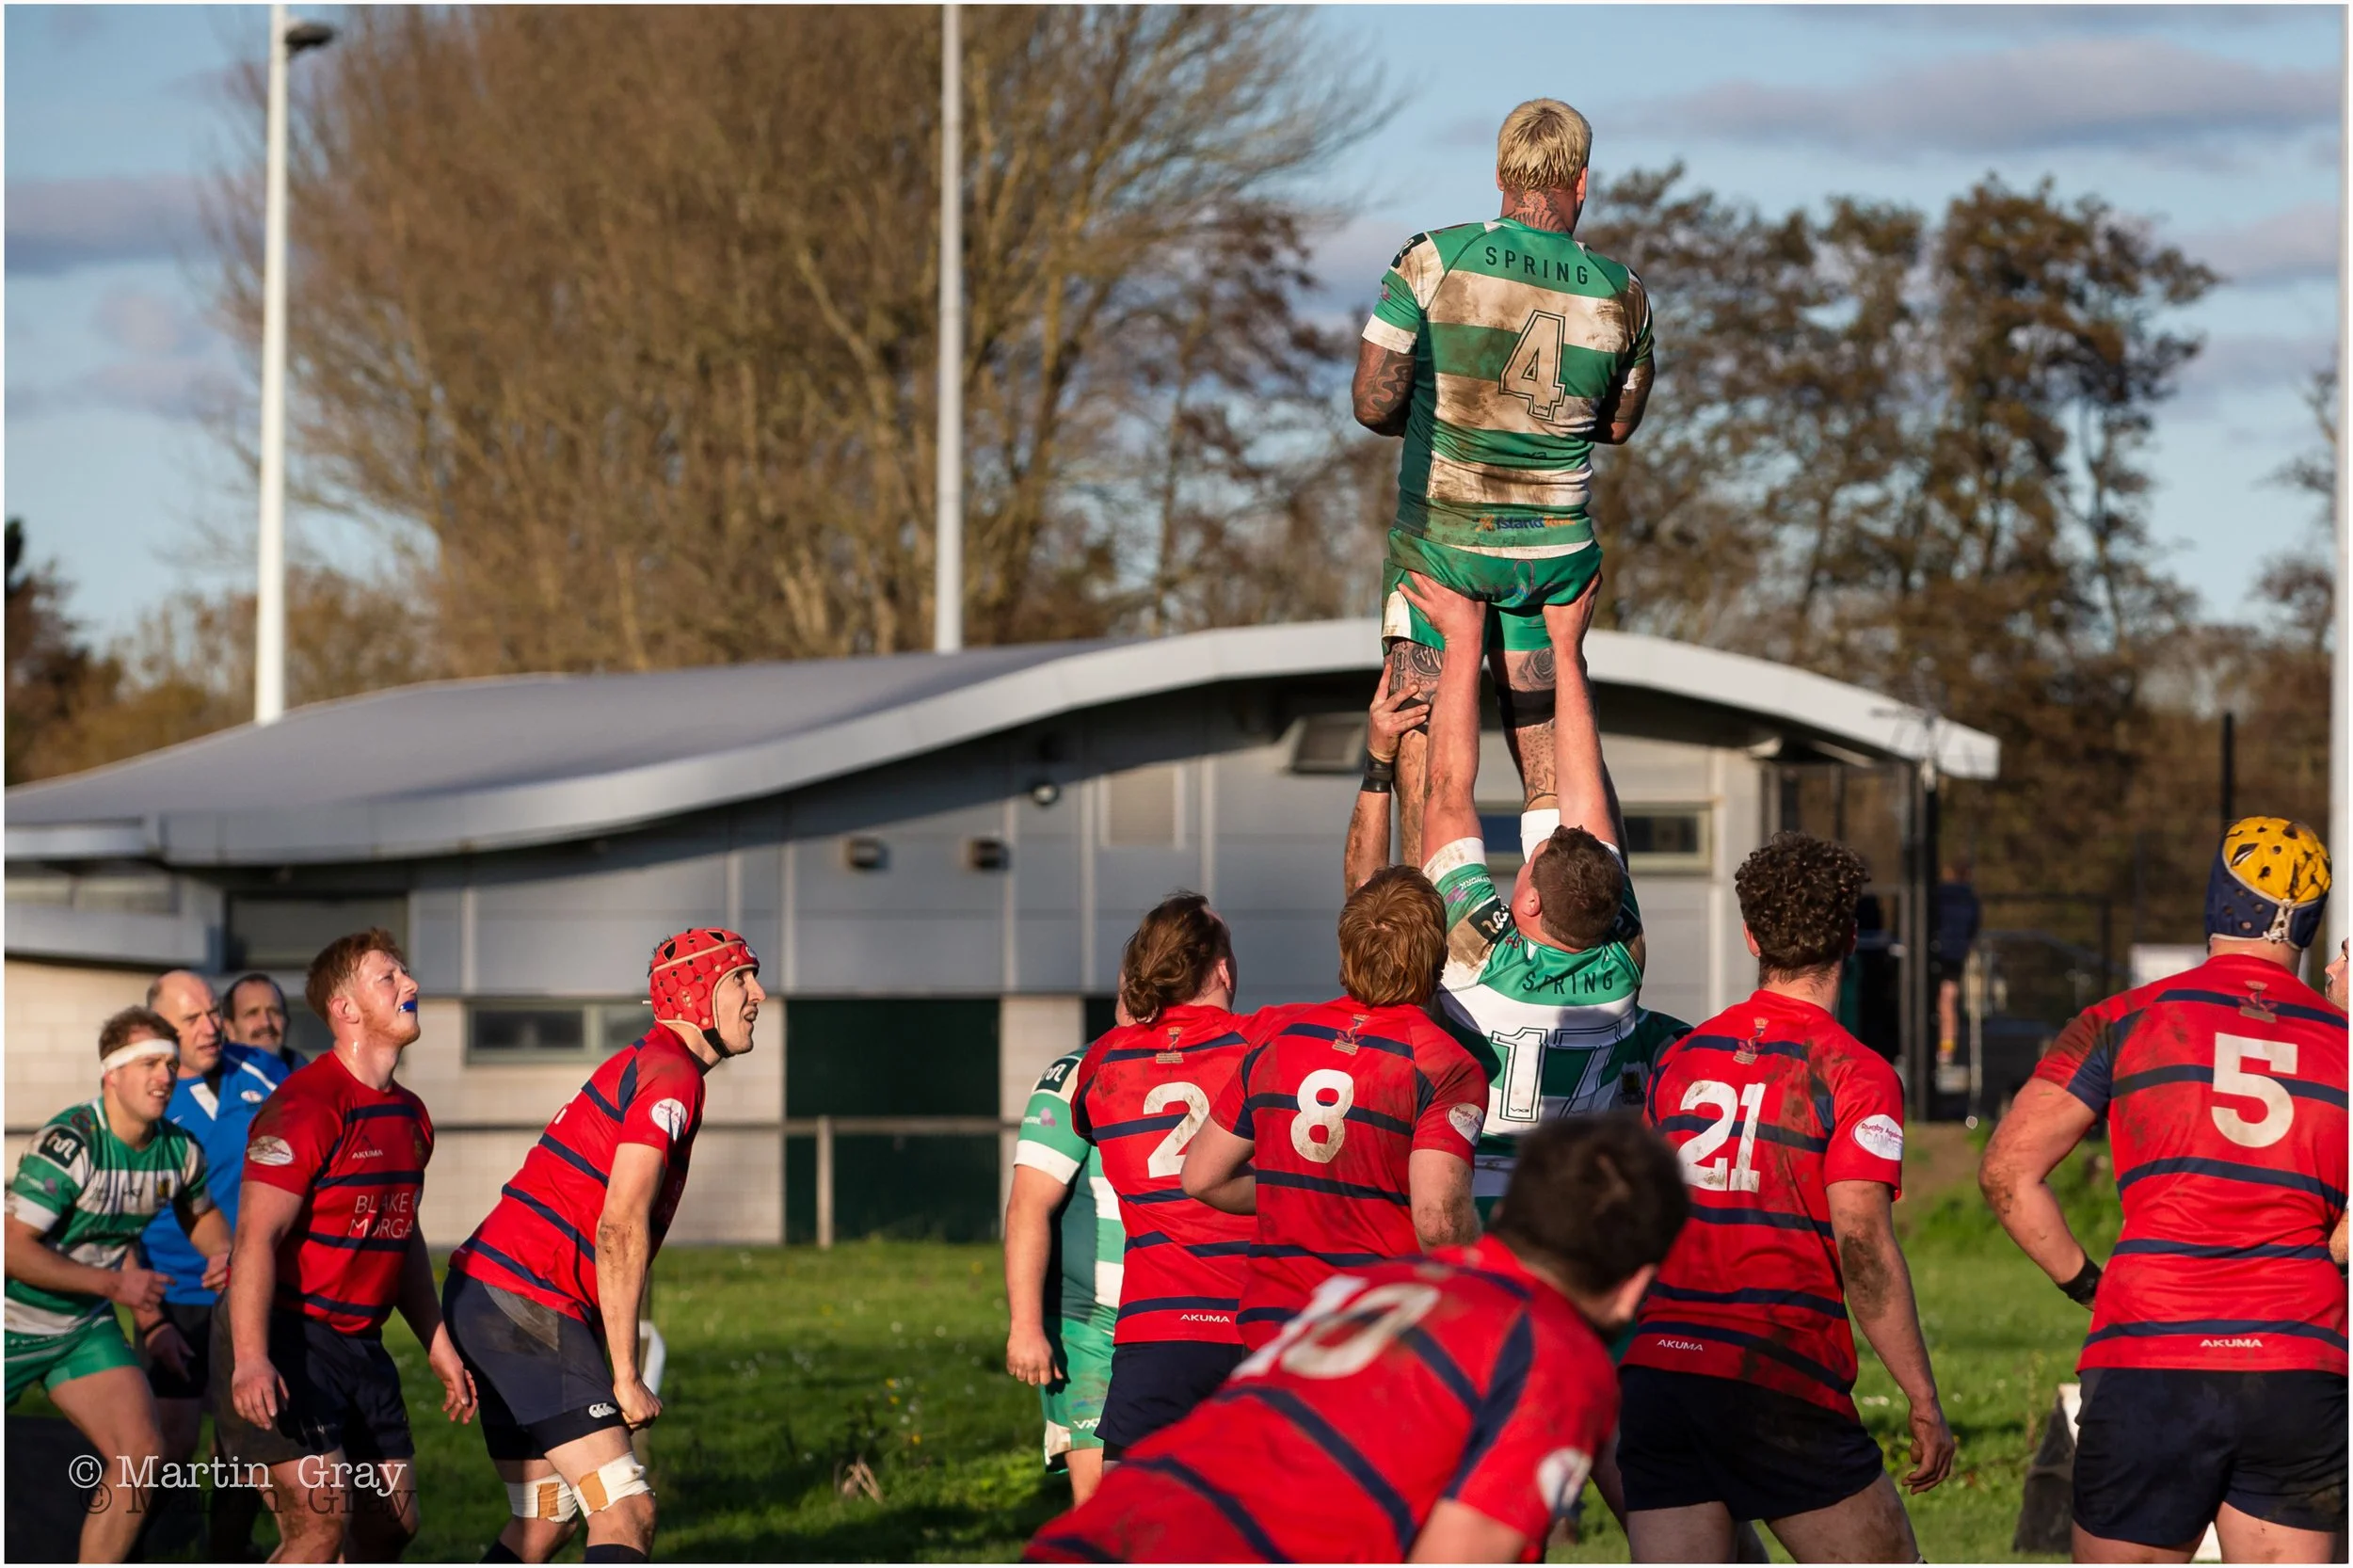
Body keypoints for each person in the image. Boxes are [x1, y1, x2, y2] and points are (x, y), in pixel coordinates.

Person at [1025, 1114, 1689, 1563]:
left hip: (1095, 1539)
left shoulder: (1379, 1286)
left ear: (1509, 1213)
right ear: (1635, 1287)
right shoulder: (1554, 1355)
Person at [1980, 816, 2346, 1564]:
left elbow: (2006, 1173)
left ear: (2216, 901)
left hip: (2152, 1351)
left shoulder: (2121, 1020)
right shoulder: (2343, 1041)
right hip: (2297, 1361)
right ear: (2309, 924)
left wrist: (2088, 1283)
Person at [1621, 830, 1955, 1561]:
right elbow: (1861, 1244)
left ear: (1749, 936)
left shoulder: (1680, 1060)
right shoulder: (1853, 1073)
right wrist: (1922, 1398)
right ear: (1851, 935)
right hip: (1774, 1373)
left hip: (1661, 1375)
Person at [1352, 97, 1655, 868]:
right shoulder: (1624, 293)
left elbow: (1372, 401)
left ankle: (1437, 946)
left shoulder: (1431, 257)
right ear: (1581, 182)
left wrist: (1434, 411)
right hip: (1554, 558)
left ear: (1499, 174)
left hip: (1445, 546)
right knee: (1554, 772)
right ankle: (1573, 939)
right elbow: (1617, 426)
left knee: (1426, 750)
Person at [445, 927, 765, 1565]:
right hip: (524, 1301)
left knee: (545, 1521)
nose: (759, 994)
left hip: (488, 1290)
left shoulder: (651, 1063)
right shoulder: (672, 1076)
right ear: (697, 995)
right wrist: (624, 1374)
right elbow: (620, 1227)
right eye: (740, 980)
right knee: (626, 1511)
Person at [216, 928, 475, 1562]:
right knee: (319, 1525)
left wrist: (438, 1344)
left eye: (404, 974)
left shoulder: (410, 1116)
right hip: (285, 1337)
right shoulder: (305, 1105)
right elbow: (254, 1237)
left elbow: (399, 1232)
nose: (410, 985)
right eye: (389, 978)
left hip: (360, 1343)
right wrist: (250, 1358)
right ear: (346, 1009)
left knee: (392, 1526)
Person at [1179, 865, 1487, 1347]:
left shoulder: (1279, 1039)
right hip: (1376, 1329)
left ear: (1347, 948)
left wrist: (1302, 1195)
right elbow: (1439, 1221)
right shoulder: (1444, 1063)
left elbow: (1201, 1176)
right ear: (1438, 955)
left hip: (1273, 1327)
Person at [5, 1006, 230, 1564]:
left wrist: (224, 1253)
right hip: (11, 1319)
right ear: (112, 1073)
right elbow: (10, 1249)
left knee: (140, 1453)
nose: (165, 1076)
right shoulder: (72, 1142)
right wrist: (114, 1283)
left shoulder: (179, 1150)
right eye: (150, 1062)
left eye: (171, 1064)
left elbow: (200, 1216)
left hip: (78, 1329)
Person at [1068, 893, 1266, 1454]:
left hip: (1156, 1330)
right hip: (1260, 1321)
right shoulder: (1265, 1041)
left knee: (1133, 1528)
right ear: (1223, 969)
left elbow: (1090, 1116)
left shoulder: (1104, 1060)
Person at [138, 968, 291, 1558]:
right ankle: (157, 1550)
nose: (211, 1028)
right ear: (159, 1032)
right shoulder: (145, 1096)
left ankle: (224, 1549)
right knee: (167, 1445)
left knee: (248, 1443)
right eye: (192, 1020)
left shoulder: (262, 1073)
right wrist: (149, 1318)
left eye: (211, 1014)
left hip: (247, 1289)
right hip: (172, 1292)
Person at [1004, 1031, 1127, 1506]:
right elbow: (1026, 1206)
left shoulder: (1226, 1058)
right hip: (1091, 1324)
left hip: (1177, 1318)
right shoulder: (1078, 1073)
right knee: (1103, 1502)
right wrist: (1026, 1327)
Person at [1931, 859, 1981, 1079]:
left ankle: (1942, 1048)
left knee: (1943, 1001)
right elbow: (1973, 928)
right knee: (1948, 1000)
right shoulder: (1969, 899)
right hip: (1955, 953)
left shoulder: (1940, 895)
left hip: (1938, 951)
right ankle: (1946, 1050)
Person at [224, 970, 304, 1070]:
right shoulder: (208, 1083)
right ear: (230, 1030)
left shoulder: (313, 1081)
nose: (266, 1023)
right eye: (252, 1013)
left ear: (286, 1021)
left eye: (274, 1012)